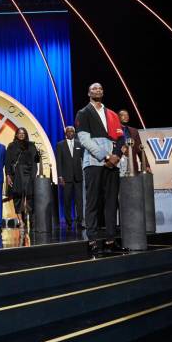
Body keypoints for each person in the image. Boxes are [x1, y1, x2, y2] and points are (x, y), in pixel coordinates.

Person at [75, 83, 124, 252]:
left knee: (112, 202)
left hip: (113, 163)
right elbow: (84, 140)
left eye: (100, 88)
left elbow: (120, 138)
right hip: (94, 163)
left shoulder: (111, 114)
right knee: (93, 202)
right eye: (94, 89)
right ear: (89, 93)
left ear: (103, 92)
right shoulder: (83, 113)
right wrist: (106, 156)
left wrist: (116, 156)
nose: (97, 90)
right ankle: (92, 240)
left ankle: (111, 240)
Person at [5, 127, 40, 229]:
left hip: (29, 174)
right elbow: (7, 162)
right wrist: (8, 175)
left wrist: (34, 174)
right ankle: (21, 221)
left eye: (23, 133)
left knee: (30, 198)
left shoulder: (31, 145)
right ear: (16, 134)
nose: (21, 135)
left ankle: (32, 222)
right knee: (18, 198)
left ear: (26, 134)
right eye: (19, 133)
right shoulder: (11, 146)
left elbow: (35, 161)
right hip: (16, 175)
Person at [55, 125, 84, 230]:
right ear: (65, 133)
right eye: (68, 131)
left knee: (79, 200)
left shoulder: (79, 144)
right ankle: (68, 222)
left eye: (72, 131)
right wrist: (60, 176)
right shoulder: (60, 145)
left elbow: (83, 159)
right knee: (67, 200)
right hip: (66, 178)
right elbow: (58, 162)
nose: (71, 133)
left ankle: (80, 221)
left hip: (78, 177)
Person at [118, 109, 150, 173]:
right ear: (118, 117)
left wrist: (146, 165)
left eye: (127, 115)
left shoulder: (134, 131)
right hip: (119, 164)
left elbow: (140, 149)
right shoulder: (114, 129)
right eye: (123, 115)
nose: (126, 117)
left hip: (132, 164)